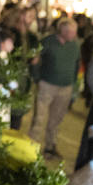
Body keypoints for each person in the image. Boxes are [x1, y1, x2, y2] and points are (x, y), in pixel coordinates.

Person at [28, 16, 80, 160]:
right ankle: (32, 147)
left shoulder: (75, 45)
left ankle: (50, 147)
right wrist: (37, 78)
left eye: (74, 32)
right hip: (47, 85)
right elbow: (34, 60)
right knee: (39, 117)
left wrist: (73, 83)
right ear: (62, 30)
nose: (74, 35)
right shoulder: (48, 42)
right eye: (71, 32)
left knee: (56, 120)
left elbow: (76, 65)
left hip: (65, 87)